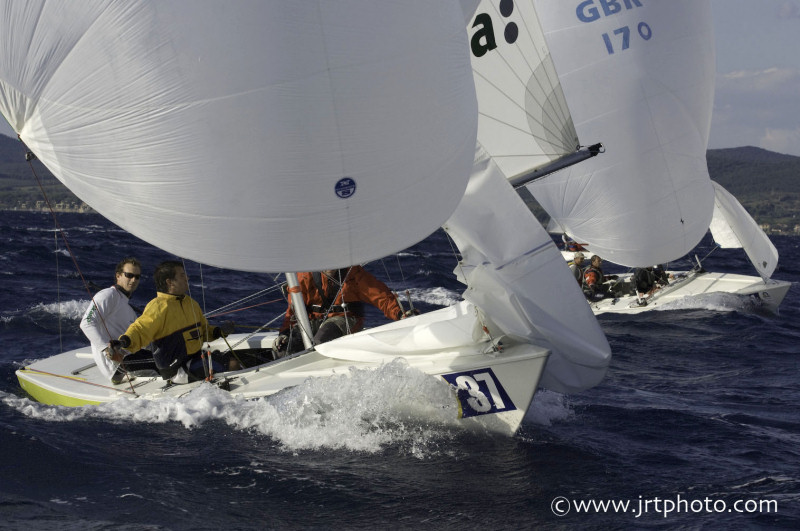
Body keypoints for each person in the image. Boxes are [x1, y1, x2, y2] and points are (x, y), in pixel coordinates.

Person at [109, 260, 235, 384]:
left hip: (195, 359)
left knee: (245, 358)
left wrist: (219, 331)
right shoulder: (158, 307)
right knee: (232, 363)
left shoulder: (190, 303)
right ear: (169, 282)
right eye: (182, 275)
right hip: (178, 370)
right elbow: (140, 329)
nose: (187, 278)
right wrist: (124, 341)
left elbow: (203, 331)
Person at [274, 266, 412, 356]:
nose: (329, 266)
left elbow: (380, 296)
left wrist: (400, 314)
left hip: (344, 318)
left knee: (321, 342)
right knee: (284, 347)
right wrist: (284, 333)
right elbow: (293, 309)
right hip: (314, 319)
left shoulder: (354, 274)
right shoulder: (306, 275)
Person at [80, 257, 158, 385]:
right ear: (118, 276)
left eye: (137, 277)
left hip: (129, 359)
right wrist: (107, 349)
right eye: (129, 275)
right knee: (167, 360)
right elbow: (86, 323)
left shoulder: (128, 308)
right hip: (118, 366)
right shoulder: (108, 295)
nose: (133, 280)